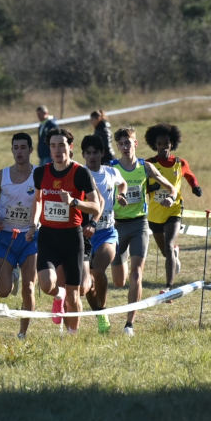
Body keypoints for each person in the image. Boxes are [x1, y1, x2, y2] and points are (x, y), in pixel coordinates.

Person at [26, 128, 102, 334]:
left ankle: (72, 336)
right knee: (45, 284)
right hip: (48, 236)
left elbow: (96, 207)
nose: (57, 150)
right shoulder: (40, 172)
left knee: (74, 294)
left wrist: (75, 202)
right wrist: (33, 224)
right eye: (53, 145)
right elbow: (38, 200)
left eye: (61, 145)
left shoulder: (80, 173)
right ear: (48, 149)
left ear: (70, 147)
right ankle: (58, 294)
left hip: (72, 237)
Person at [109, 127, 176, 337]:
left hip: (139, 224)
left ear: (135, 144)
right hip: (117, 225)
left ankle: (130, 323)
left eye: (128, 142)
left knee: (137, 274)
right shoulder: (111, 168)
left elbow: (171, 187)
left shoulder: (145, 167)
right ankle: (122, 261)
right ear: (117, 147)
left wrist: (170, 198)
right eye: (121, 144)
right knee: (119, 281)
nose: (125, 147)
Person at [0, 132, 40, 338]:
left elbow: (43, 202)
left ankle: (23, 332)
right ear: (12, 150)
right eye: (15, 148)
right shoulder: (1, 175)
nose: (19, 152)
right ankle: (12, 273)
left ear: (30, 150)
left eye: (23, 147)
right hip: (6, 236)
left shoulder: (39, 175)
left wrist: (35, 224)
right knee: (3, 291)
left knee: (29, 287)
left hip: (30, 236)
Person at [145, 123, 202, 291]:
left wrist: (195, 187)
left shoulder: (179, 162)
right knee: (165, 251)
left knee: (168, 246)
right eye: (160, 144)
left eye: (167, 144)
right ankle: (175, 254)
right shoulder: (149, 164)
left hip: (174, 209)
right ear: (155, 145)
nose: (163, 147)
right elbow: (140, 186)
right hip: (155, 214)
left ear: (172, 144)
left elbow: (190, 176)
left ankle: (169, 287)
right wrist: (152, 188)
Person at [81, 134, 125, 333]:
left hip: (107, 232)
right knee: (88, 281)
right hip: (85, 233)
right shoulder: (79, 174)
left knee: (98, 271)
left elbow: (122, 183)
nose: (91, 156)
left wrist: (121, 194)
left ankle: (104, 309)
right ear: (83, 155)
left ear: (102, 153)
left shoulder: (111, 172)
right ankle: (99, 315)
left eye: (95, 153)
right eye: (88, 153)